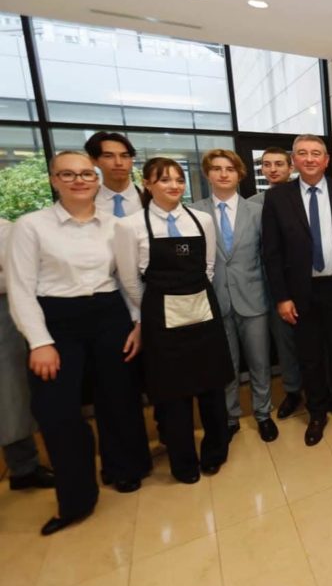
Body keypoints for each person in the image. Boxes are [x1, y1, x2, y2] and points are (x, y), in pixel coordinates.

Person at [7, 152, 150, 534]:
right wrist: (39, 341)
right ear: (54, 179)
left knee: (119, 398)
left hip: (109, 314)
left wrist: (137, 323)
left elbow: (127, 279)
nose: (79, 180)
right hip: (56, 320)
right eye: (68, 174)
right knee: (57, 411)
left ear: (96, 178)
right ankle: (76, 499)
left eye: (86, 174)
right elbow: (21, 289)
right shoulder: (31, 226)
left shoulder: (116, 225)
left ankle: (124, 470)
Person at [115, 157, 232, 484]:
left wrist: (189, 296)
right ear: (148, 184)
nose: (174, 185)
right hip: (160, 319)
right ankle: (183, 463)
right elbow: (130, 280)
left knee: (211, 388)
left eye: (179, 179)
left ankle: (215, 452)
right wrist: (154, 309)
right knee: (173, 395)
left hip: (202, 311)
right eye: (164, 180)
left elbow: (208, 267)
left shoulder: (202, 219)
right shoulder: (129, 226)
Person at [261, 134, 332, 447]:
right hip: (300, 291)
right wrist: (281, 296)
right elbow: (272, 252)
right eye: (302, 153)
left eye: (316, 153)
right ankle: (316, 410)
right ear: (294, 160)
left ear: (326, 159)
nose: (309, 158)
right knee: (309, 354)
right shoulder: (278, 198)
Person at [194, 150, 278, 443]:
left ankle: (263, 413)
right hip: (216, 300)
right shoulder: (196, 212)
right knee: (226, 364)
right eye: (216, 169)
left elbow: (267, 255)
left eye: (229, 168)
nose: (223, 174)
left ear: (239, 174)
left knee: (259, 362)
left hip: (253, 298)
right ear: (208, 174)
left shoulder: (256, 211)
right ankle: (230, 417)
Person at [0, 218, 55, 492]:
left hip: (4, 315)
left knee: (12, 394)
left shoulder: (6, 229)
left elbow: (16, 277)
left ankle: (24, 467)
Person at [249, 148, 304, 419]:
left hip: (305, 282)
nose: (273, 169)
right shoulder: (252, 204)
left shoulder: (303, 195)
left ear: (290, 166)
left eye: (279, 164)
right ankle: (293, 391)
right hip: (273, 285)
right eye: (267, 165)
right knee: (285, 343)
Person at [85, 131, 143, 218]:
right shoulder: (86, 202)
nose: (118, 163)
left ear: (131, 160)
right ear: (94, 161)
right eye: (108, 156)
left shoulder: (150, 198)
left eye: (124, 156)